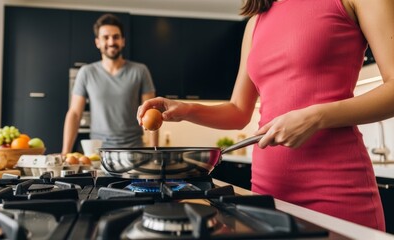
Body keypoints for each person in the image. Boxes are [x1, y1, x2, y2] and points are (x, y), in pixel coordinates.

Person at [137, 0, 394, 231]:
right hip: (267, 192)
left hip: (336, 190)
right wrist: (186, 110)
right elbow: (239, 110)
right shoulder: (255, 22)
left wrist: (315, 117)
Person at [62, 13, 158, 154]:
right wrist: (65, 153)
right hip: (99, 153)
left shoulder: (140, 71)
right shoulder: (86, 72)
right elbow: (75, 114)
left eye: (116, 37)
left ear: (123, 41)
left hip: (135, 151)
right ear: (97, 42)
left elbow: (152, 113)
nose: (111, 42)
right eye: (105, 37)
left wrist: (155, 153)